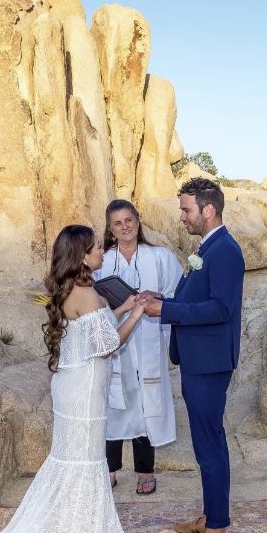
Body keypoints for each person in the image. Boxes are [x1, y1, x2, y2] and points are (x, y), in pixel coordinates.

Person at [0, 225, 147, 533]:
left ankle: (74, 530)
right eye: (97, 247)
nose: (102, 251)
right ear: (84, 256)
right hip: (84, 390)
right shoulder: (86, 292)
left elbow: (90, 333)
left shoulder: (73, 289)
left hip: (72, 384)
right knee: (84, 459)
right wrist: (136, 315)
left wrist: (123, 307)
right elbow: (108, 344)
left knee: (73, 458)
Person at [141, 178, 245, 533]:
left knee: (210, 444)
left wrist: (165, 312)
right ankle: (209, 517)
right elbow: (196, 299)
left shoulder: (226, 252)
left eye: (186, 210)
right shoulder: (209, 248)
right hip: (199, 359)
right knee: (205, 444)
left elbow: (221, 309)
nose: (181, 217)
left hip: (210, 362)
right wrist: (162, 300)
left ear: (209, 210)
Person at [94, 199, 183, 495]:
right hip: (117, 338)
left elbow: (178, 294)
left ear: (138, 220)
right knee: (115, 403)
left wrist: (155, 294)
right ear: (110, 228)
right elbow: (94, 302)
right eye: (117, 223)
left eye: (129, 220)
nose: (125, 227)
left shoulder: (160, 257)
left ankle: (145, 470)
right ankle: (111, 469)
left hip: (147, 340)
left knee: (145, 403)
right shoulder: (103, 260)